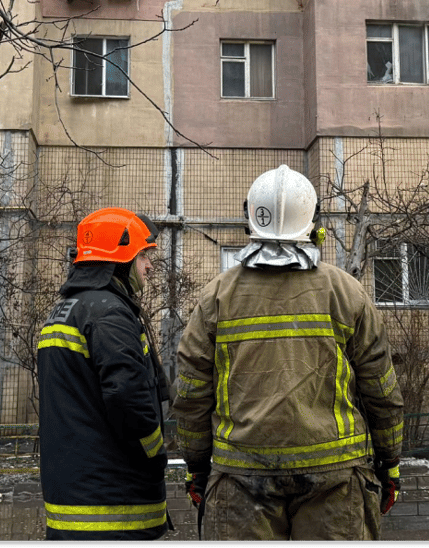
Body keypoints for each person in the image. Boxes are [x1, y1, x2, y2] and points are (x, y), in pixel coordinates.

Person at [172, 165, 405, 541]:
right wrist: (389, 461)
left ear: (250, 218)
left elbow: (190, 393)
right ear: (313, 223)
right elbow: (382, 389)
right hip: (336, 479)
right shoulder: (346, 292)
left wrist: (197, 467)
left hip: (240, 477)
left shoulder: (217, 296)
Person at [36, 208, 171, 541]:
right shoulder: (109, 313)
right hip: (113, 511)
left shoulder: (67, 310)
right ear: (121, 259)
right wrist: (156, 455)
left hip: (75, 501)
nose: (150, 266)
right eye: (144, 256)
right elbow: (128, 399)